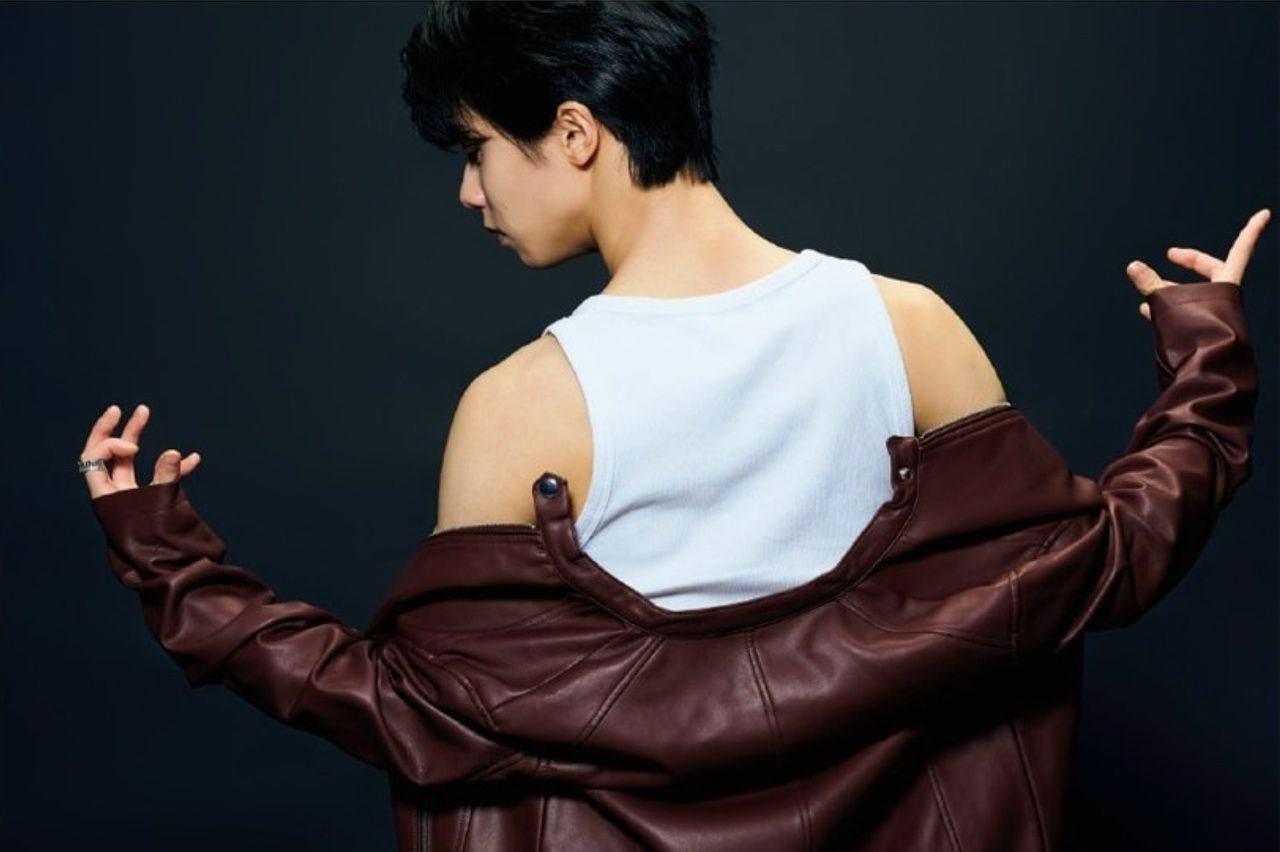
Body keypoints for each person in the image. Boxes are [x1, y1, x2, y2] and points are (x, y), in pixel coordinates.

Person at [78, 3, 1267, 849]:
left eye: (477, 149)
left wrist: (172, 563)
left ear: (575, 133)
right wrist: (1204, 352)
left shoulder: (522, 405)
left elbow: (412, 713)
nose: (468, 191)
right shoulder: (906, 326)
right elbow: (1103, 563)